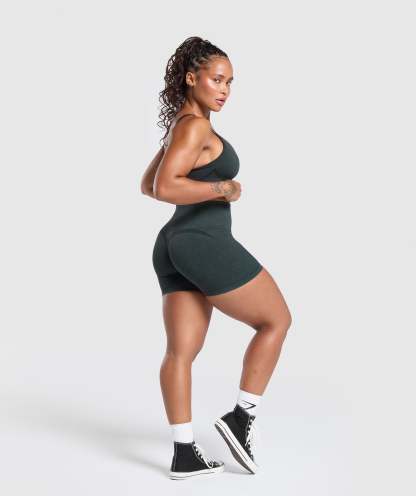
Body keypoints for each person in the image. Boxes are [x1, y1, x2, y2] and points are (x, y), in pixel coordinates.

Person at [141, 36, 292, 480]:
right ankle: (242, 418)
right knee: (276, 321)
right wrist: (221, 188)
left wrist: (202, 184)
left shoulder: (182, 126)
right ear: (192, 78)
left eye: (230, 82)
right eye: (217, 79)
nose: (225, 89)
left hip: (172, 244)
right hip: (201, 241)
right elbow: (164, 187)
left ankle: (184, 453)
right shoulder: (194, 128)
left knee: (180, 352)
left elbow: (148, 185)